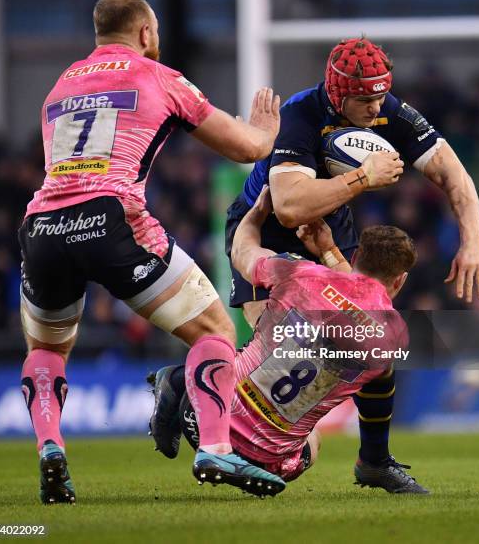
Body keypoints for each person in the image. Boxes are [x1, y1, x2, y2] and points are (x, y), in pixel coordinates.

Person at [18, 0, 284, 504]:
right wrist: (266, 131)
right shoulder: (158, 76)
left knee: (46, 350)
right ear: (145, 32)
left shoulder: (58, 88)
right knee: (214, 329)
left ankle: (51, 448)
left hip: (42, 226)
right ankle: (213, 446)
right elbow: (244, 148)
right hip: (111, 220)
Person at [224, 37, 479, 493]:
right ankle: (187, 399)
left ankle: (374, 460)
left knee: (375, 343)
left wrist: (474, 243)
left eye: (380, 95)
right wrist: (364, 176)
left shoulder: (392, 111)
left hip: (331, 230)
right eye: (364, 100)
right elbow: (288, 207)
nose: (375, 108)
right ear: (336, 92)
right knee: (280, 350)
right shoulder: (301, 116)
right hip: (266, 232)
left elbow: (454, 174)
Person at [148, 187, 427, 492]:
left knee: (241, 342)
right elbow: (356, 308)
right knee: (317, 437)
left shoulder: (302, 274)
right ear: (400, 279)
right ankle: (374, 460)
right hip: (274, 464)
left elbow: (242, 252)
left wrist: (256, 213)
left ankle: (177, 382)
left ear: (357, 255)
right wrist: (331, 254)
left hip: (200, 419)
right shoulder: (394, 335)